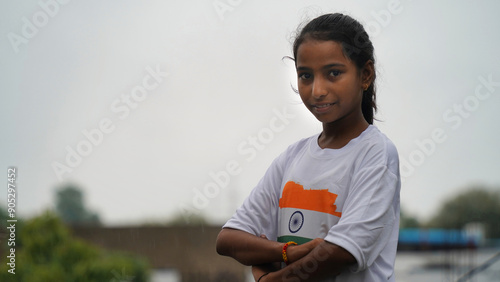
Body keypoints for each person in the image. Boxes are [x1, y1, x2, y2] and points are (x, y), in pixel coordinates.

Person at [216, 13, 400, 282]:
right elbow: (228, 239)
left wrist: (271, 278)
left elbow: (340, 253)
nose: (317, 90)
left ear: (366, 75)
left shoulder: (376, 154)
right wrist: (287, 252)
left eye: (333, 73)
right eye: (305, 76)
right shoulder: (292, 157)